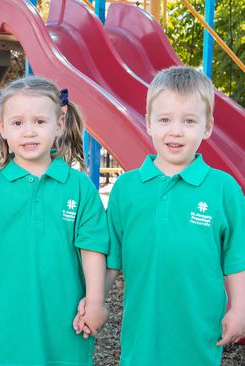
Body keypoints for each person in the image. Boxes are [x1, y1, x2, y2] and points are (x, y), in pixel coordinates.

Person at [0, 76, 110, 365]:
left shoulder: (80, 187)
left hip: (66, 323)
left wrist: (95, 302)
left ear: (59, 124)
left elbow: (92, 247)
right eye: (18, 123)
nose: (29, 132)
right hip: (7, 325)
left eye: (39, 122)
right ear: (2, 128)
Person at [103, 66, 245, 365]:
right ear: (149, 123)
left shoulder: (223, 189)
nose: (176, 130)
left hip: (198, 336)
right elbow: (111, 259)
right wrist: (93, 301)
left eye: (189, 121)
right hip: (141, 337)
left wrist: (240, 309)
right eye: (165, 119)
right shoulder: (126, 188)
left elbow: (237, 258)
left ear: (207, 127)